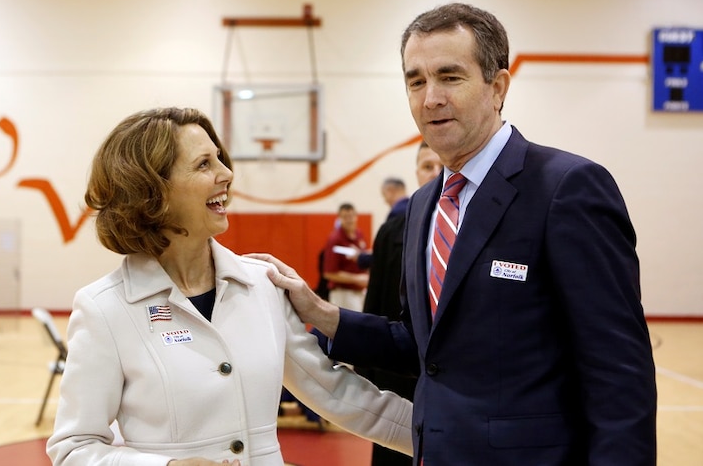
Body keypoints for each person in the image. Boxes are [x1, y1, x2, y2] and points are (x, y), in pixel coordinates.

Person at [250, 2, 657, 465]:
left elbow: (619, 372)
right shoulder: (424, 206)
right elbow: (425, 344)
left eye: (450, 76)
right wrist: (322, 313)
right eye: (416, 81)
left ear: (498, 87)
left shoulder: (566, 188)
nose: (430, 99)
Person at [46, 107, 414, 466]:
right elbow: (75, 448)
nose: (227, 173)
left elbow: (336, 394)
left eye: (220, 159)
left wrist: (442, 436)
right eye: (204, 164)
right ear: (153, 192)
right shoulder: (103, 308)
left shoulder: (262, 284)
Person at [357, 143, 440, 466]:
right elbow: (375, 299)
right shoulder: (393, 230)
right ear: (416, 173)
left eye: (439, 165)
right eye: (426, 166)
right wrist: (365, 369)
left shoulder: (480, 225)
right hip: (398, 376)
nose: (434, 173)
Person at [322, 202, 369, 312]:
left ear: (356, 217)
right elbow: (329, 273)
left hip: (360, 292)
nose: (349, 220)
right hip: (343, 293)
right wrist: (357, 279)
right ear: (339, 219)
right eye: (345, 217)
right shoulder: (335, 239)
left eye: (351, 216)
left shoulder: (359, 235)